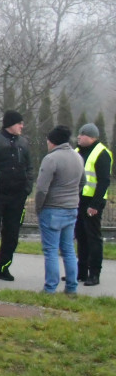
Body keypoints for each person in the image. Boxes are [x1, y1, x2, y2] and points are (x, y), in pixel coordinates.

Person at [0, 110, 33, 281]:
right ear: (10, 124)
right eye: (19, 123)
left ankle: (4, 267)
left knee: (12, 235)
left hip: (17, 197)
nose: (22, 126)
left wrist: (27, 187)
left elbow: (29, 167)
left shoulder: (23, 143)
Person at [35, 125, 84, 295]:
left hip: (52, 209)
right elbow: (82, 183)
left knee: (50, 250)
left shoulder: (51, 159)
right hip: (71, 208)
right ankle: (72, 288)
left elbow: (41, 188)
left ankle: (50, 288)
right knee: (69, 250)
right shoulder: (78, 157)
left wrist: (38, 207)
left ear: (52, 141)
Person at [75, 123, 111, 286]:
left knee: (93, 238)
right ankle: (81, 272)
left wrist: (95, 205)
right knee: (81, 236)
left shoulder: (101, 153)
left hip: (92, 201)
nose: (79, 137)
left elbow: (104, 181)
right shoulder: (77, 152)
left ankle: (94, 274)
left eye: (82, 135)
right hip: (78, 199)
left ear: (91, 137)